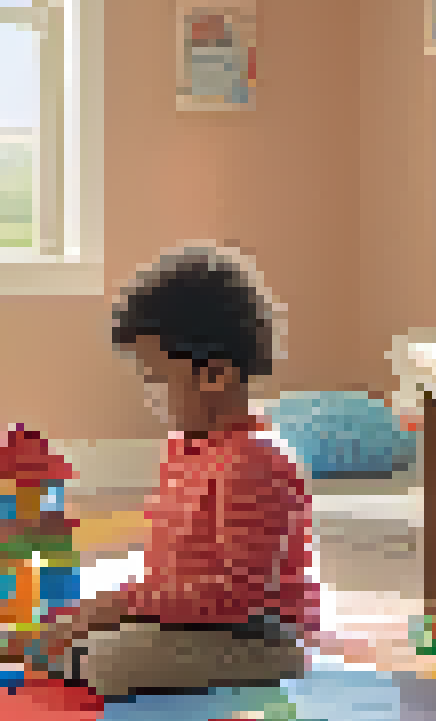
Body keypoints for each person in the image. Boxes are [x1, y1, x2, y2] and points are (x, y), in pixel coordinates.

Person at [28, 244, 318, 698]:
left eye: (155, 379)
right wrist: (117, 607)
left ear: (215, 375)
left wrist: (122, 607)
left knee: (108, 661)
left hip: (259, 637)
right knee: (82, 622)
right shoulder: (183, 447)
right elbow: (171, 566)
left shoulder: (256, 463)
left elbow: (237, 597)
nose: (150, 397)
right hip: (195, 618)